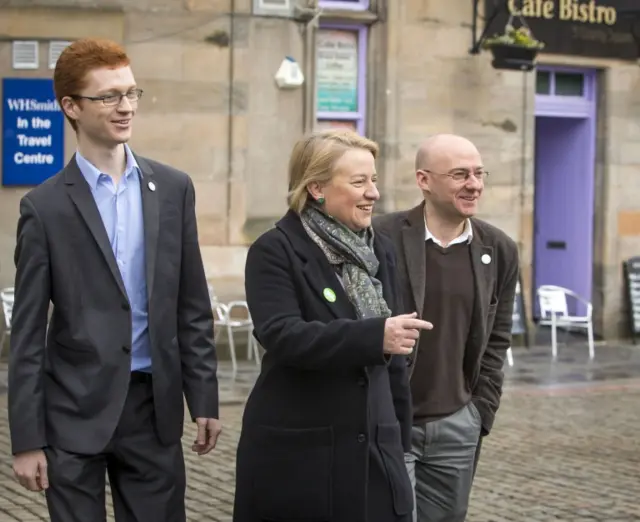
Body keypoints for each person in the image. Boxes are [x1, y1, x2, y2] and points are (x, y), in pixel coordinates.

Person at [8, 38, 221, 522]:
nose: (125, 107)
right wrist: (26, 440)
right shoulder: (44, 209)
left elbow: (191, 302)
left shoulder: (172, 188)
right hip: (72, 413)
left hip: (153, 408)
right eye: (108, 96)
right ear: (71, 107)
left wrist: (203, 396)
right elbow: (26, 336)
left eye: (130, 93)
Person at [233, 129, 432, 522]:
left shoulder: (378, 250)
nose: (373, 193)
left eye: (373, 180)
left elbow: (395, 357)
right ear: (317, 188)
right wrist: (375, 335)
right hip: (300, 457)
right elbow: (282, 334)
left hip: (375, 450)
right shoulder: (275, 249)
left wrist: (399, 441)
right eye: (359, 182)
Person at [373, 134, 519, 522]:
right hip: (389, 422)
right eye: (459, 174)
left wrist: (478, 412)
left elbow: (498, 338)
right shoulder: (380, 236)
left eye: (478, 173)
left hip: (457, 424)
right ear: (424, 180)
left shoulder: (499, 248)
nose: (474, 184)